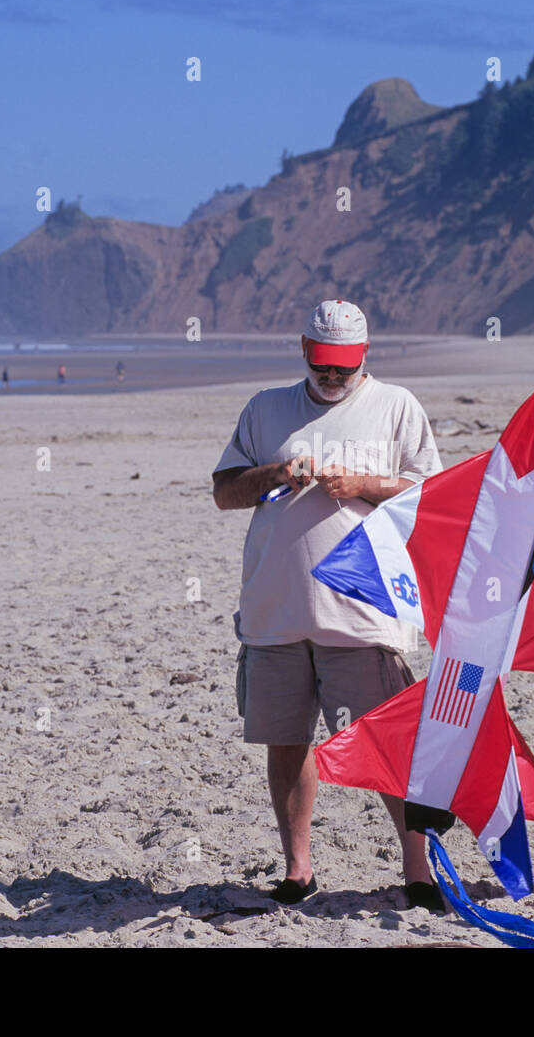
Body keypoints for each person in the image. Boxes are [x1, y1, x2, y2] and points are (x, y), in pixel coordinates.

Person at [212, 300, 445, 912]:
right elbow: (223, 492)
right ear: (303, 349)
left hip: (365, 614)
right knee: (286, 743)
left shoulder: (396, 406)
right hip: (276, 611)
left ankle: (418, 872)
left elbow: (435, 496)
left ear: (365, 354)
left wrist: (365, 485)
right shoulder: (266, 408)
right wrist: (276, 474)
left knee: (390, 744)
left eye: (344, 366)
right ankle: (298, 870)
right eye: (323, 364)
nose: (333, 376)